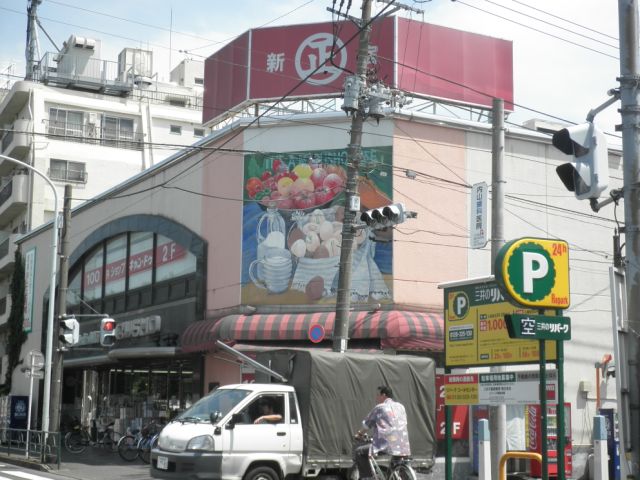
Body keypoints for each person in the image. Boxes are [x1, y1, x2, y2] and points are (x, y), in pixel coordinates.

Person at [355, 386, 410, 480]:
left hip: (385, 444)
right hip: (403, 445)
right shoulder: (401, 407)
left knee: (359, 451)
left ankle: (366, 478)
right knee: (395, 462)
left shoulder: (380, 407)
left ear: (383, 395)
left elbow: (367, 425)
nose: (376, 398)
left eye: (378, 395)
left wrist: (359, 434)